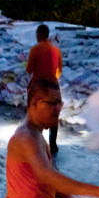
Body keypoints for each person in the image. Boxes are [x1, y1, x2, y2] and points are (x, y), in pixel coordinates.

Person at [26, 24, 62, 155]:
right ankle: (53, 145)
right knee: (54, 117)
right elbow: (59, 71)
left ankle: (37, 144)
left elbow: (29, 69)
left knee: (34, 116)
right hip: (54, 87)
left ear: (39, 35)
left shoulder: (35, 50)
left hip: (39, 87)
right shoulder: (56, 50)